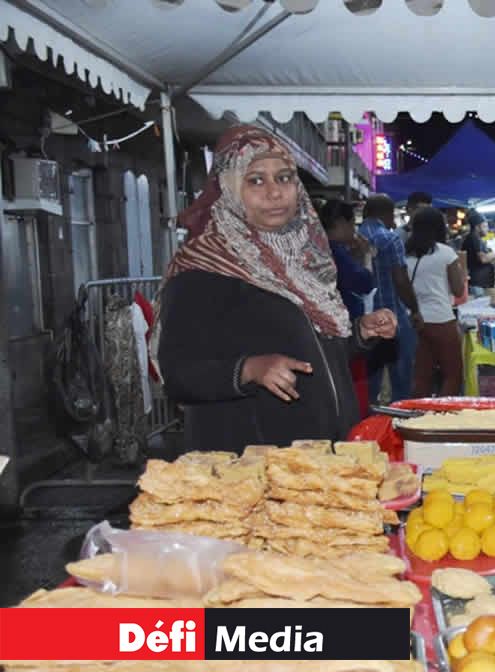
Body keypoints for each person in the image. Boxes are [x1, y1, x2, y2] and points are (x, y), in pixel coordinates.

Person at [152, 125, 396, 452]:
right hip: (252, 469)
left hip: (318, 463)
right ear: (228, 187)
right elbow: (178, 373)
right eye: (255, 180)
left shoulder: (303, 260)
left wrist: (359, 334)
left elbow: (308, 352)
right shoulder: (203, 267)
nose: (275, 192)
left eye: (283, 178)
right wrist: (249, 369)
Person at [360, 193, 422, 403]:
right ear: (386, 214)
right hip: (393, 317)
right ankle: (398, 419)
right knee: (402, 377)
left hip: (362, 323)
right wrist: (414, 309)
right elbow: (401, 280)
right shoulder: (390, 238)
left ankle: (370, 423)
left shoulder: (353, 237)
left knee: (369, 379)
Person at [319, 199, 376, 418]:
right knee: (352, 386)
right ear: (341, 223)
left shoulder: (321, 247)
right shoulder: (335, 252)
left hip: (330, 327)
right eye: (352, 224)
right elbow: (364, 282)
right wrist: (366, 256)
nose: (354, 230)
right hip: (343, 330)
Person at [406, 207, 465, 398]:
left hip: (417, 320)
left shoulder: (406, 254)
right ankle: (444, 416)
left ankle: (418, 415)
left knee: (422, 376)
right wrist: (461, 271)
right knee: (452, 374)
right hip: (442, 320)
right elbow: (457, 290)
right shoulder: (446, 253)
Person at [462, 212, 495, 300]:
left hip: (481, 284)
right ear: (477, 227)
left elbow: (484, 255)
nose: (488, 229)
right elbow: (483, 258)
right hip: (478, 285)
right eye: (485, 226)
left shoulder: (476, 239)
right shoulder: (474, 238)